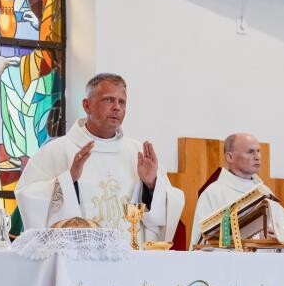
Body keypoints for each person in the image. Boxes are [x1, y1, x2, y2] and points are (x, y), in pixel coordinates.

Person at [15, 72, 184, 244]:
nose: (117, 107)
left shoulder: (139, 154)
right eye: (108, 100)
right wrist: (69, 179)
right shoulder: (57, 151)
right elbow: (28, 196)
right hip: (80, 260)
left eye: (122, 102)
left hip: (131, 259)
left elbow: (168, 208)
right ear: (87, 105)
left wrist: (151, 185)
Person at [0, 0, 62, 167]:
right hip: (47, 62)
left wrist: (23, 61)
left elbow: (51, 43)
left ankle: (24, 152)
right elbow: (51, 33)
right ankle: (25, 151)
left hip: (52, 69)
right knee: (8, 75)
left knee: (7, 78)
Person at [190, 132, 284, 248]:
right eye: (250, 152)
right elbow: (200, 244)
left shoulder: (266, 193)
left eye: (258, 151)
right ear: (230, 157)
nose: (257, 156)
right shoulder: (213, 194)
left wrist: (279, 238)